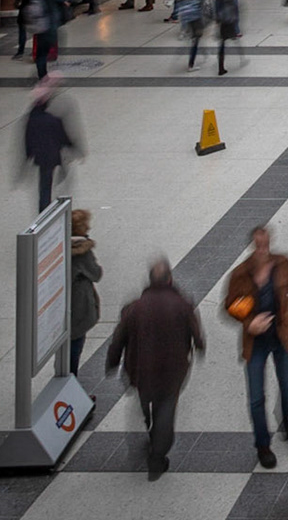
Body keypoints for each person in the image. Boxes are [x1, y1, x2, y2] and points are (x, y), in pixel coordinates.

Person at [107, 259, 205, 480]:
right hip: (172, 372)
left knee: (147, 403)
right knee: (166, 410)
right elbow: (195, 333)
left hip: (141, 370)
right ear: (169, 279)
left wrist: (112, 361)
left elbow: (119, 338)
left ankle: (150, 427)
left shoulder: (134, 308)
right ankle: (157, 455)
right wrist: (199, 346)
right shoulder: (182, 304)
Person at [223, 225, 288, 469]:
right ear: (252, 246)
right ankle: (263, 445)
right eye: (258, 246)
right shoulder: (240, 274)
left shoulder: (284, 265)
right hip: (255, 343)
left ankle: (285, 413)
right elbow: (231, 305)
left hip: (282, 337)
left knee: (287, 383)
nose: (262, 250)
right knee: (256, 397)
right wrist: (249, 323)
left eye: (266, 245)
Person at [22, 78, 79, 212]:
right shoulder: (52, 119)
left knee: (44, 186)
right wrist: (73, 147)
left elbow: (28, 138)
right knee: (61, 178)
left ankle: (43, 211)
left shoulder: (31, 118)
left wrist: (28, 155)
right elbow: (63, 136)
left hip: (41, 157)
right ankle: (60, 205)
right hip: (54, 154)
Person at [68, 208, 102, 376]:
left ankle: (67, 378)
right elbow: (96, 273)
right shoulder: (81, 252)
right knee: (75, 346)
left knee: (68, 351)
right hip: (78, 305)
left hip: (63, 305)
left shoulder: (58, 248)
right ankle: (70, 385)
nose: (88, 228)